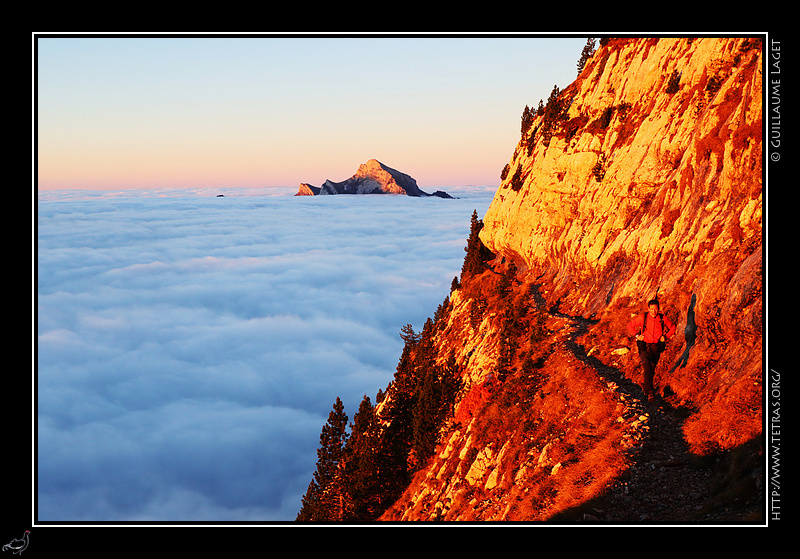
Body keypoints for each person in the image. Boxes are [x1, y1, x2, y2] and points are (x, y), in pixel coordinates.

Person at [627, 298, 676, 402]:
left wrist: (666, 337)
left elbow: (673, 327)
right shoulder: (643, 318)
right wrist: (637, 335)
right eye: (652, 309)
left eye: (656, 309)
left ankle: (646, 387)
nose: (654, 311)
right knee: (648, 367)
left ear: (658, 309)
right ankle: (650, 393)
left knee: (651, 369)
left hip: (656, 347)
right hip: (644, 346)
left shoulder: (662, 318)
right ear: (648, 309)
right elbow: (630, 325)